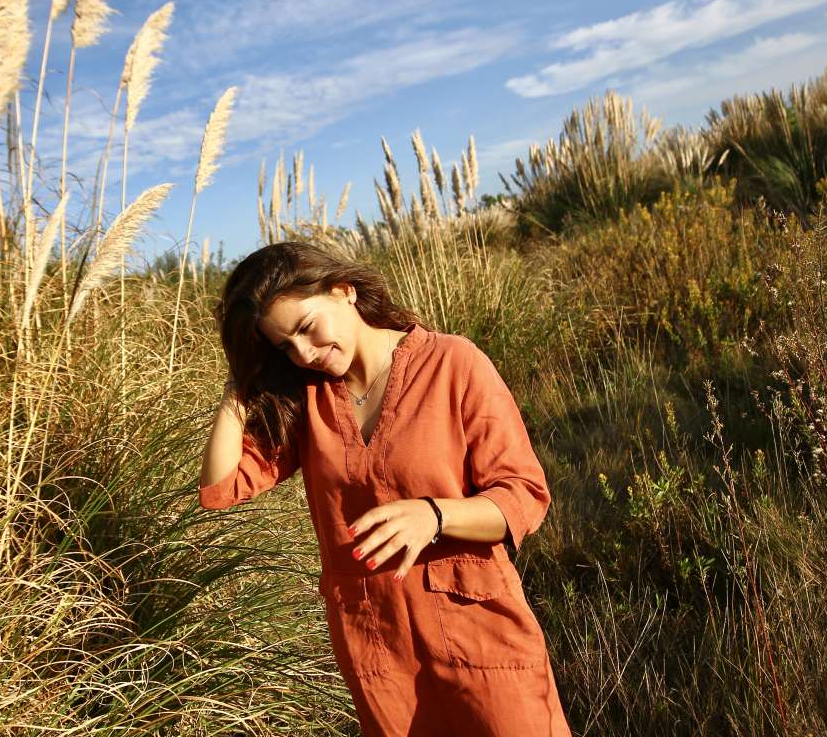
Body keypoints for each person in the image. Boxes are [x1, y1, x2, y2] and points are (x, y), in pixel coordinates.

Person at [199, 241, 572, 736]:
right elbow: (220, 488)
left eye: (308, 328)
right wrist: (240, 381)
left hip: (480, 635)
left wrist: (435, 515)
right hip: (381, 649)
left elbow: (523, 495)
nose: (305, 353)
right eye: (285, 346)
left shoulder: (452, 363)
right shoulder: (308, 402)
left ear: (343, 291)